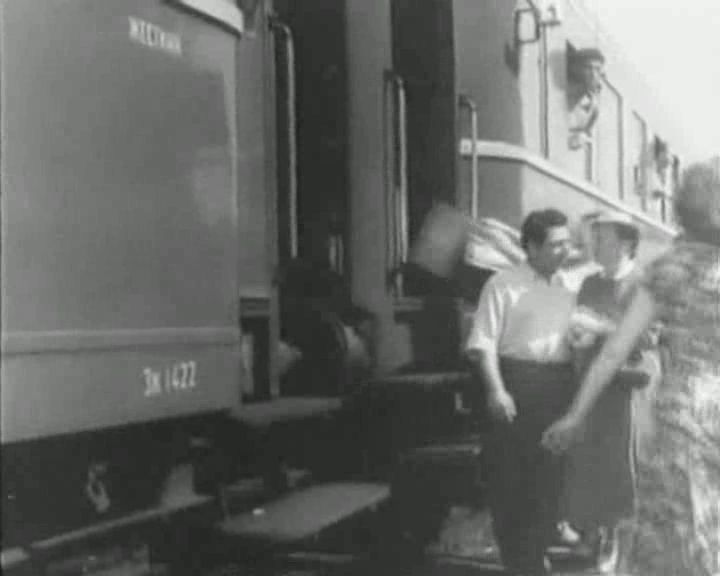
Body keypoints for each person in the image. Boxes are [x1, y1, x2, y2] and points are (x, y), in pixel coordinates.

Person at [543, 162, 720, 576]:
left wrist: (575, 415)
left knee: (677, 527)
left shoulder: (666, 271)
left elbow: (613, 352)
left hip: (681, 415)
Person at [466, 209, 574, 576]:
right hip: (516, 385)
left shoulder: (570, 288)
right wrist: (496, 391)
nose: (565, 251)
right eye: (557, 244)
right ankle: (520, 562)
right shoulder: (502, 285)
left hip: (558, 387)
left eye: (567, 243)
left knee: (552, 476)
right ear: (532, 247)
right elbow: (483, 344)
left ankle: (537, 551)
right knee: (512, 478)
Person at [561, 211, 657, 572]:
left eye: (602, 238)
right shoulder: (589, 283)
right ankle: (591, 535)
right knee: (589, 460)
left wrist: (601, 329)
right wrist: (576, 334)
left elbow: (650, 338)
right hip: (590, 385)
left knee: (620, 464)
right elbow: (578, 323)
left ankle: (616, 540)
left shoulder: (641, 284)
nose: (595, 244)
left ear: (626, 243)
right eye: (594, 237)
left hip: (624, 390)